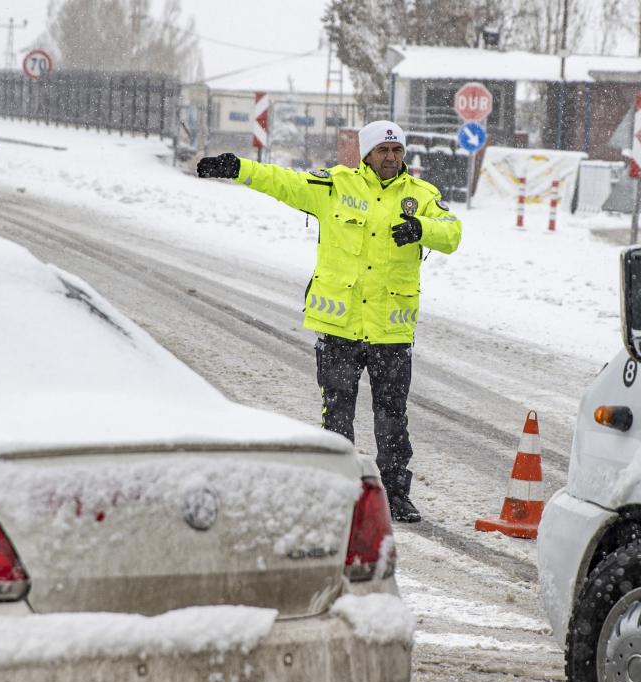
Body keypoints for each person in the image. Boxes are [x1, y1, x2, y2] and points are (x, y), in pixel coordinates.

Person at [196, 121, 461, 522]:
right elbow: (282, 182)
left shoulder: (420, 196)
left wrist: (421, 228)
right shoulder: (335, 186)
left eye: (397, 150)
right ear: (366, 153)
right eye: (383, 151)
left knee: (392, 417)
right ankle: (337, 489)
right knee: (336, 414)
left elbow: (452, 233)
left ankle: (394, 492)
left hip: (390, 328)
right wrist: (239, 169)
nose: (391, 158)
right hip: (340, 327)